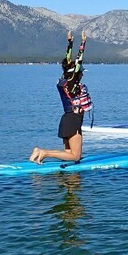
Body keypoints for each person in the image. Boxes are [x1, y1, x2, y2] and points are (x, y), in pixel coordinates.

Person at [30, 31, 93, 164]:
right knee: (76, 156)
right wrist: (83, 42)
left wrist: (70, 43)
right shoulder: (71, 83)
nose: (81, 74)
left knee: (69, 154)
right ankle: (43, 152)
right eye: (80, 72)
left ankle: (38, 151)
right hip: (73, 120)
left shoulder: (64, 80)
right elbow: (78, 60)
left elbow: (68, 61)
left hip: (66, 119)